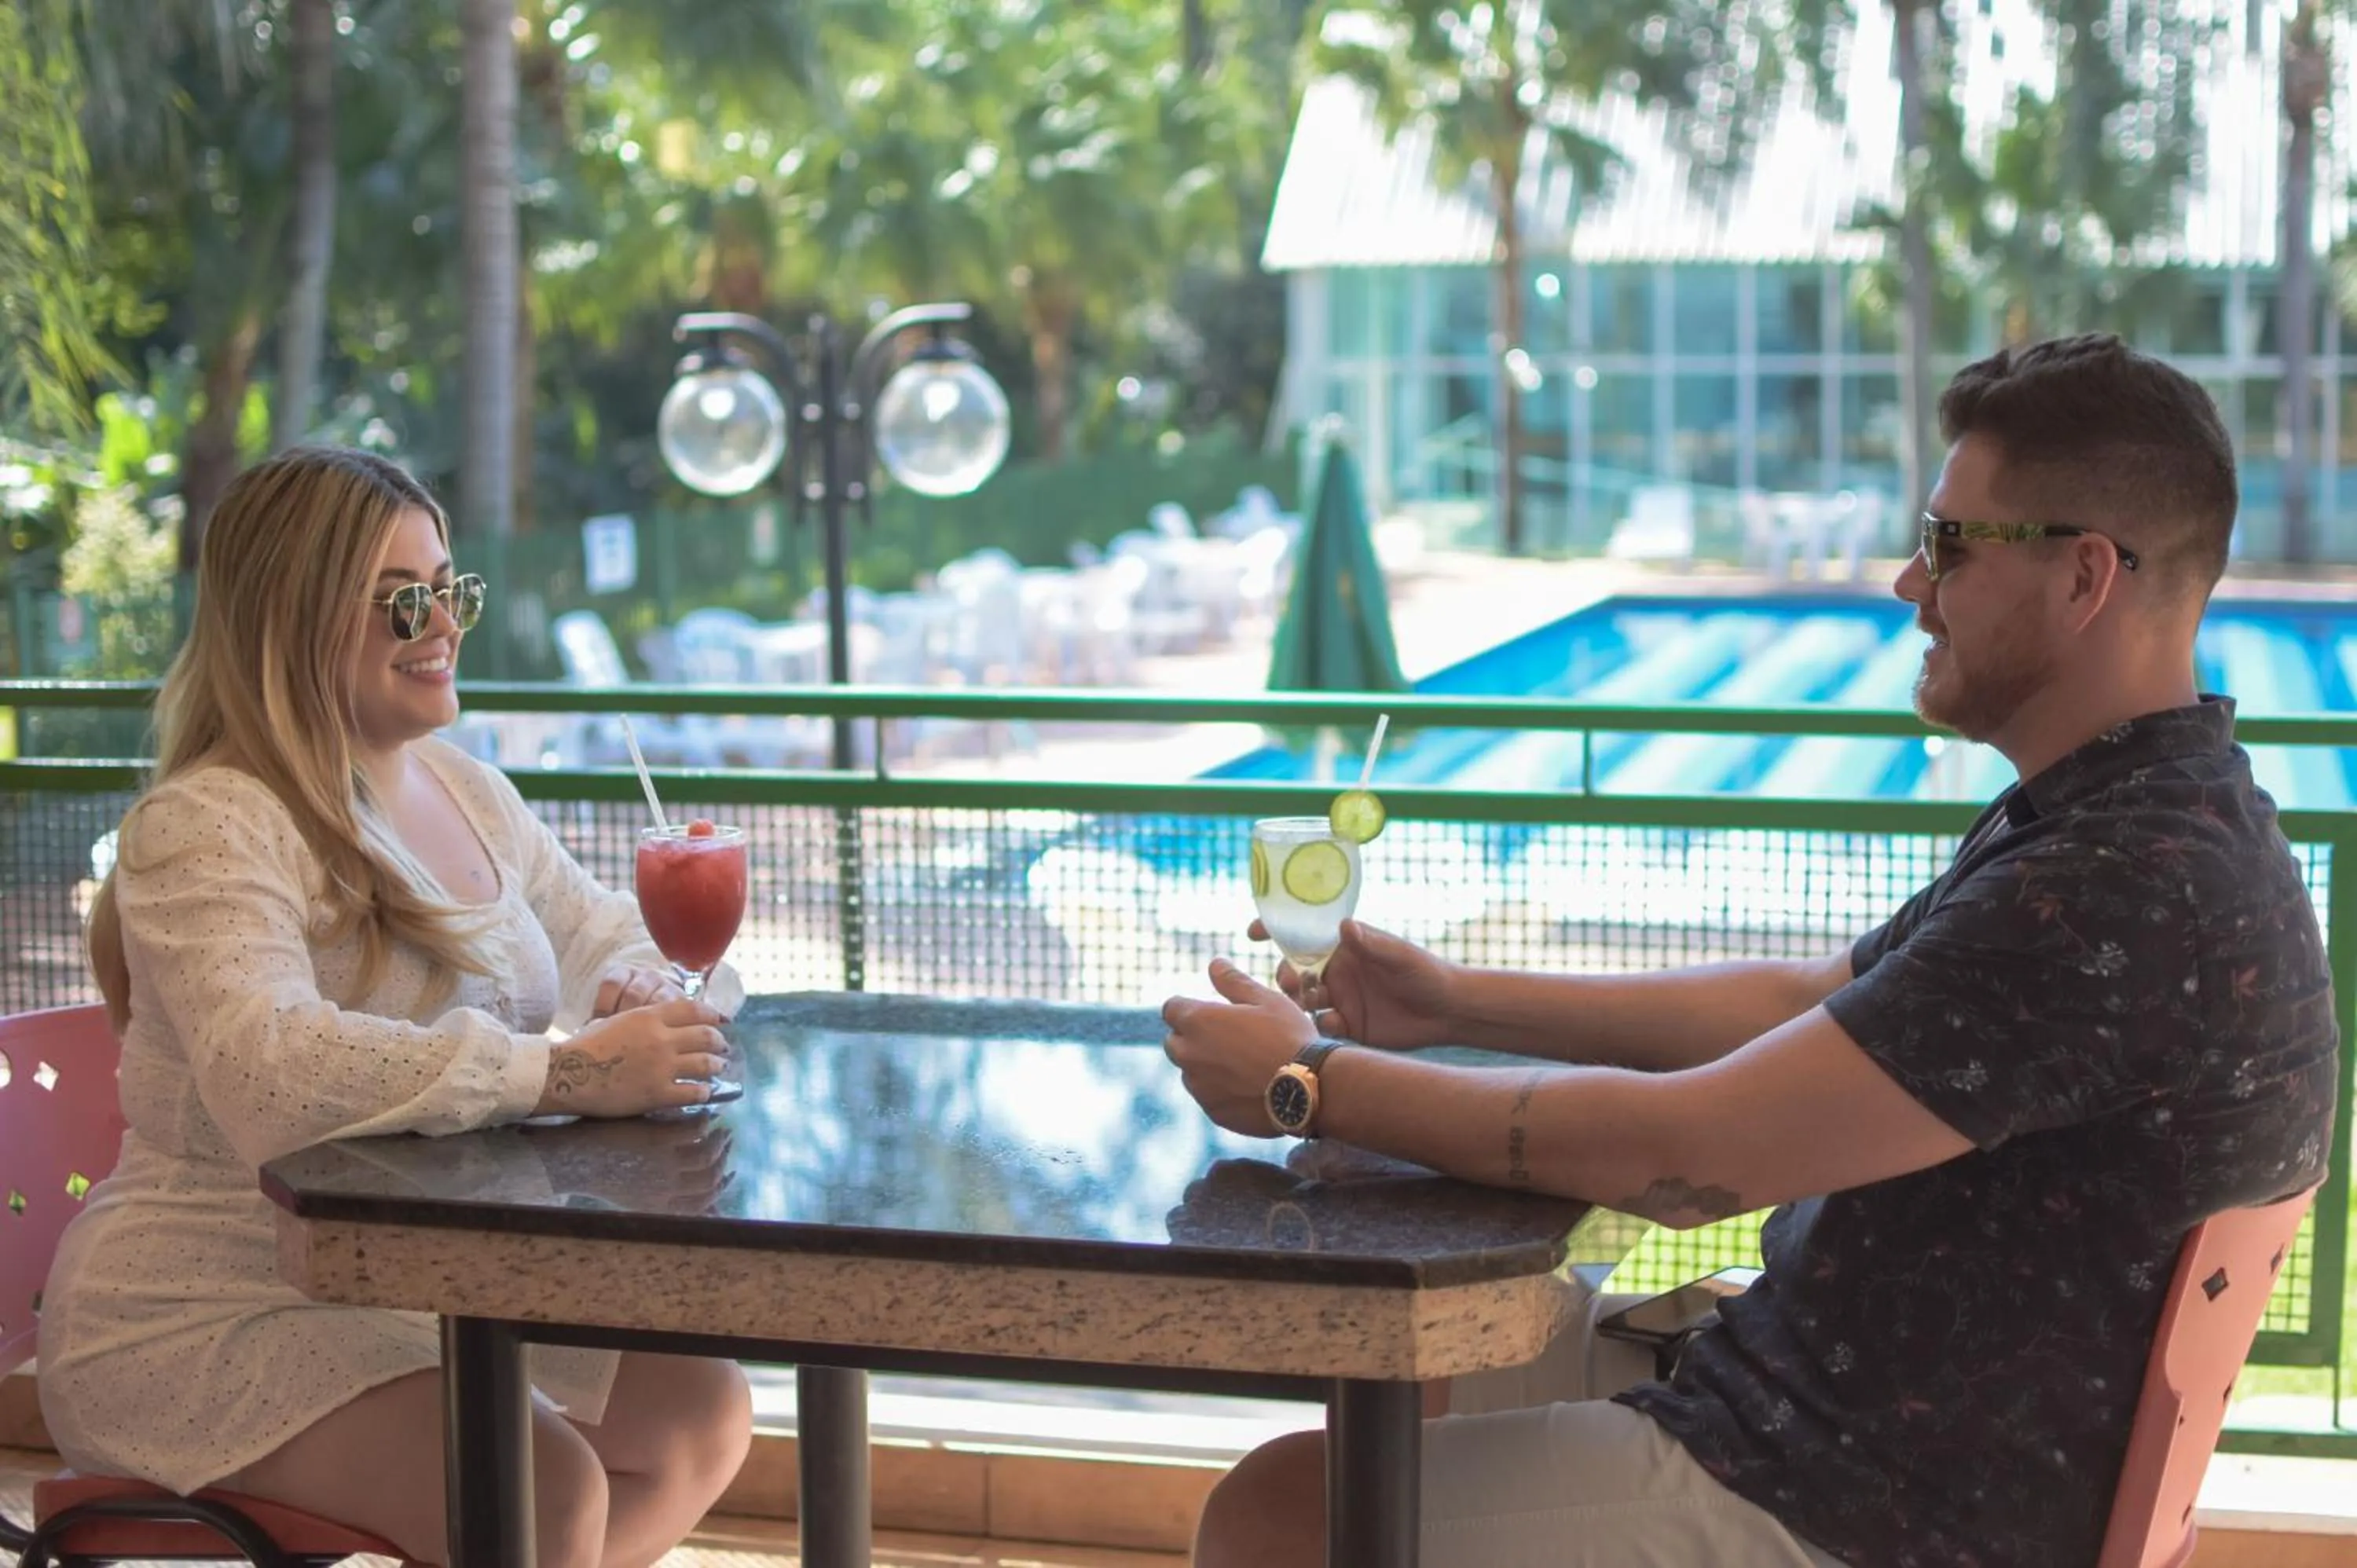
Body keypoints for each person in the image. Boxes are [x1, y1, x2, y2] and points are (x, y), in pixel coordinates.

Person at [1161, 334, 2341, 1568]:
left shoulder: (2116, 891)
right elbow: (1806, 998)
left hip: (1876, 1507)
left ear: (2084, 577)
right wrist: (1453, 999)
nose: (1909, 583)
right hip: (1843, 1415)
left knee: (1280, 1517)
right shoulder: (2143, 815)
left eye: (1948, 544)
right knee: (1436, 1353)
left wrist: (1308, 1081)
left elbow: (1687, 1159)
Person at [38, 445, 753, 1568]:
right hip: (206, 1303)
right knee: (541, 1490)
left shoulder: (468, 790)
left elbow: (605, 929)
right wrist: (568, 1073)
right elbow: (270, 1069)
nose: (443, 624)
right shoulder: (210, 822)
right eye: (401, 600)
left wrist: (649, 987)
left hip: (426, 1274)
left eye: (449, 589)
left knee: (699, 1413)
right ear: (293, 617)